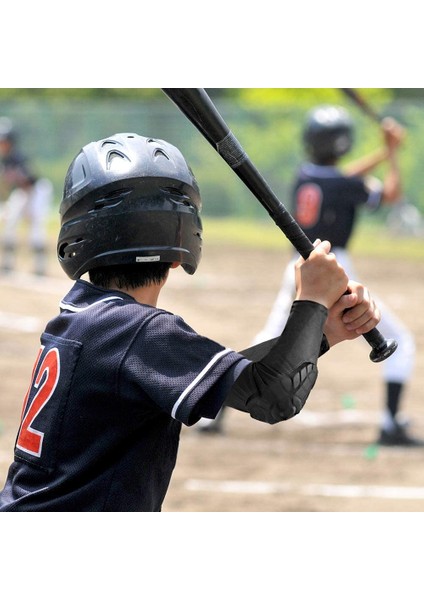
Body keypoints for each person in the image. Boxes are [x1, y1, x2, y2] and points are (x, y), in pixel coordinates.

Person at [0, 132, 380, 512]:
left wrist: (322, 331)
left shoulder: (81, 317)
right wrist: (311, 299)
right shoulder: (139, 331)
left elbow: (244, 381)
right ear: (181, 248)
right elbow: (274, 397)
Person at [200, 105, 420, 446]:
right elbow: (389, 194)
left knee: (271, 336)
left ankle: (214, 409)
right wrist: (390, 152)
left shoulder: (307, 176)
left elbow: (346, 178)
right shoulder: (344, 184)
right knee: (400, 341)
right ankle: (391, 423)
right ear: (344, 143)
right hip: (334, 267)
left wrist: (383, 150)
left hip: (300, 266)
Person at [0, 116, 53, 276]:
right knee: (11, 222)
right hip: (23, 193)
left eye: (4, 141)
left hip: (37, 191)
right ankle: (7, 263)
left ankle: (40, 266)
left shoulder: (18, 157)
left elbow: (29, 181)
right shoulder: (4, 161)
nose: (2, 145)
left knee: (36, 226)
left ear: (11, 141)